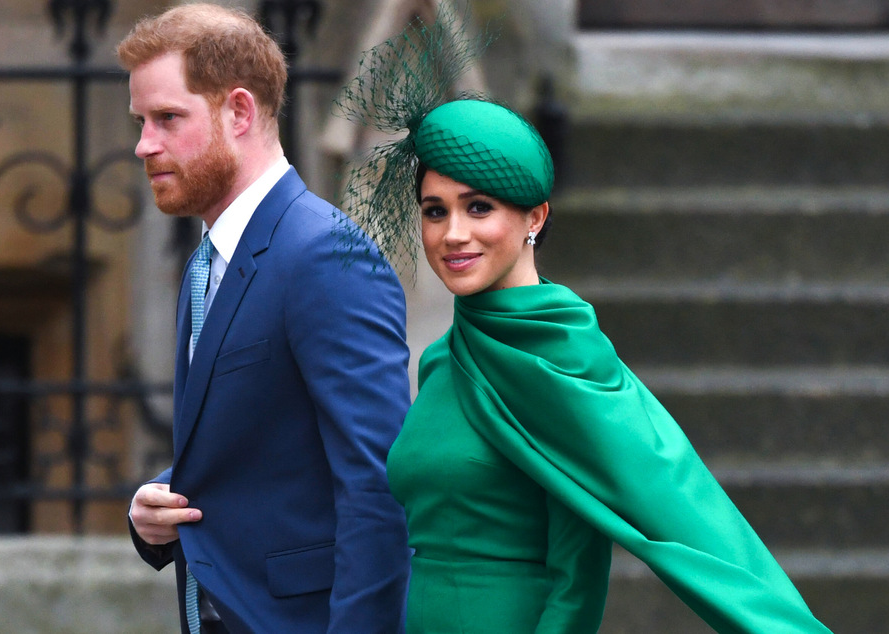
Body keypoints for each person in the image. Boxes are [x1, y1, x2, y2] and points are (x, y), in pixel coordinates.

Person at [334, 14, 833, 632]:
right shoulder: (442, 357)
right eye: (435, 211)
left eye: (479, 207)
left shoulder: (561, 355)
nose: (452, 234)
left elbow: (594, 566)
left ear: (535, 217)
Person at [117, 4, 411, 633]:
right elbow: (265, 446)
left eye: (168, 118)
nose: (145, 144)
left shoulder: (325, 254)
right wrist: (156, 509)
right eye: (142, 121)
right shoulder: (205, 264)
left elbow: (378, 486)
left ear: (240, 112)